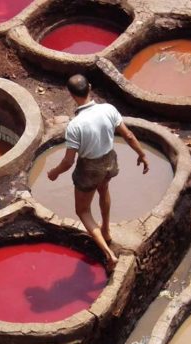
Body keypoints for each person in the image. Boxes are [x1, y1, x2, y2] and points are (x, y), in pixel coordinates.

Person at [47, 74, 149, 273]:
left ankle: (108, 254)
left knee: (83, 211)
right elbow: (128, 135)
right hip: (109, 161)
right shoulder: (108, 109)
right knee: (104, 190)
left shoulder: (75, 125)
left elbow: (69, 161)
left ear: (71, 95)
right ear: (90, 87)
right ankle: (106, 231)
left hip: (89, 168)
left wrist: (54, 172)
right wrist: (142, 154)